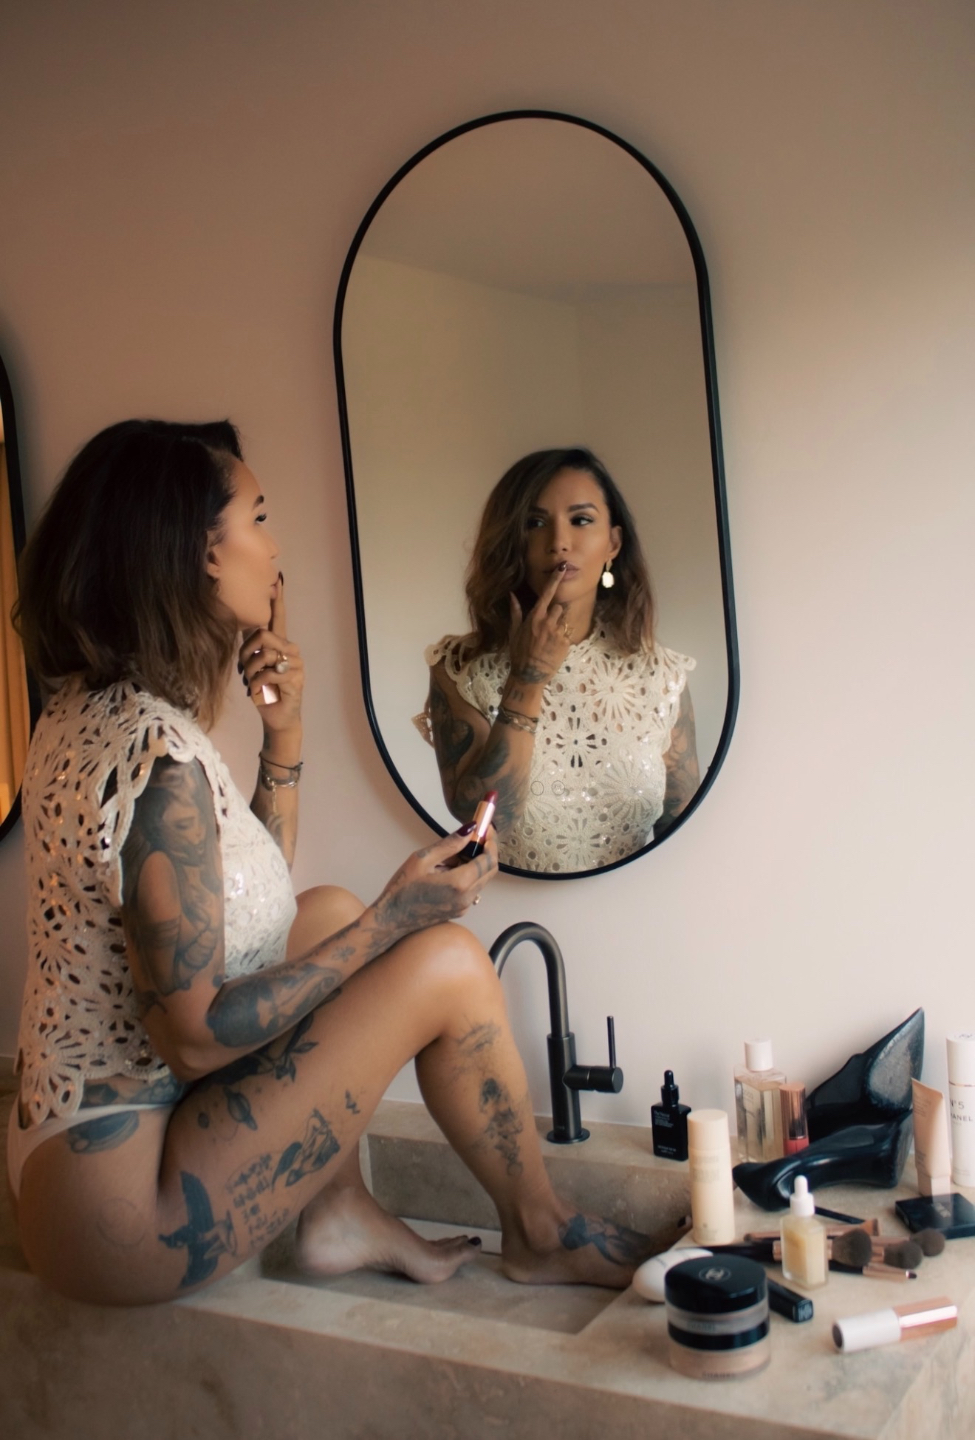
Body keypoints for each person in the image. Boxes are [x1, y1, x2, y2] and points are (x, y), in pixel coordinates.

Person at [6, 419, 664, 1307]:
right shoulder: (157, 760)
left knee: (319, 910)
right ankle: (540, 1231)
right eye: (258, 518)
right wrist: (391, 922)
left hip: (77, 1158)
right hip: (123, 1213)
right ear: (198, 553)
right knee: (444, 960)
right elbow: (192, 1038)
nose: (274, 547)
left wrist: (284, 735)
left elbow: (243, 912)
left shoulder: (96, 711)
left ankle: (337, 1211)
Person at [416, 448, 700, 873]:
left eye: (581, 520)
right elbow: (487, 821)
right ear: (514, 543)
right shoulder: (461, 669)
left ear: (613, 543)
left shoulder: (660, 676)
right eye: (535, 523)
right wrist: (527, 680)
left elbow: (684, 836)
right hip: (512, 905)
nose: (559, 542)